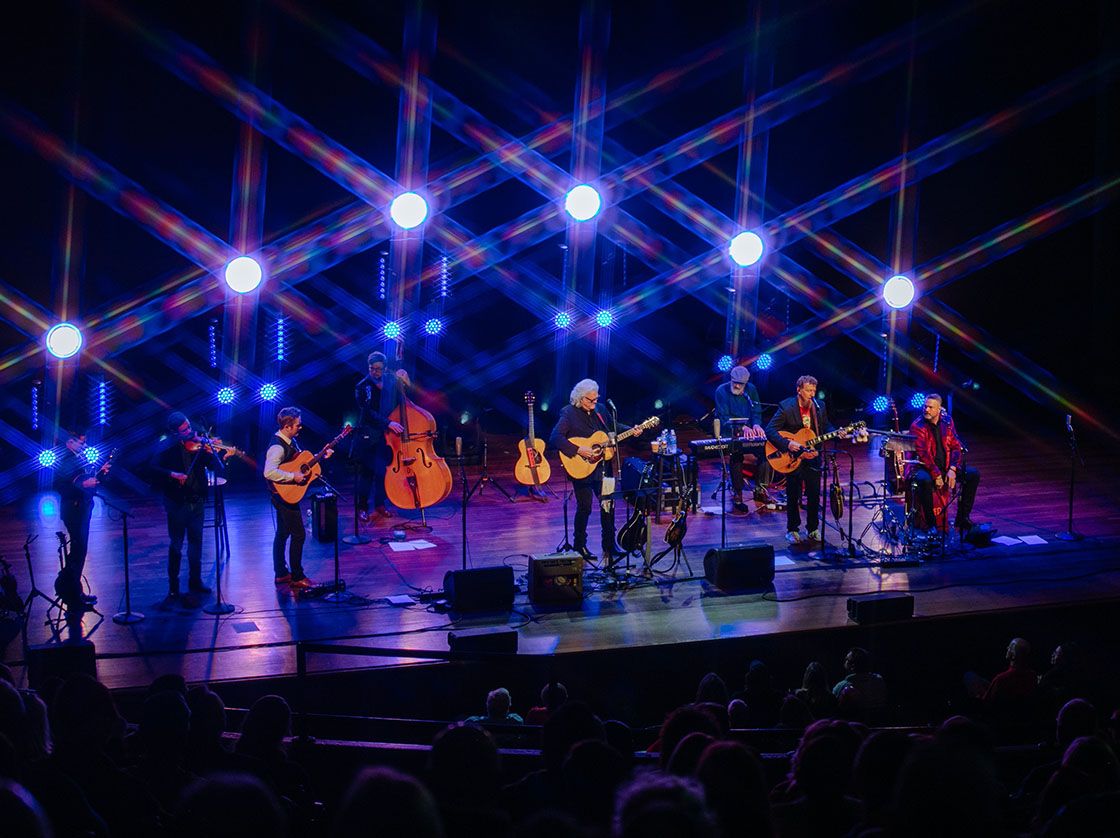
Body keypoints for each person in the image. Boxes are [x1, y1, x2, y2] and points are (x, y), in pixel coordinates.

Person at [548, 378, 642, 563]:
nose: (594, 403)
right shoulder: (568, 413)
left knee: (608, 505)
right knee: (585, 508)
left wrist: (632, 430)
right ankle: (579, 546)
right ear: (580, 398)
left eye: (595, 398)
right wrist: (578, 449)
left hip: (603, 468)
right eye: (590, 400)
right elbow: (555, 438)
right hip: (580, 467)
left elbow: (613, 429)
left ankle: (609, 544)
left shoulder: (600, 410)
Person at [151, 412, 224, 606]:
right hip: (176, 502)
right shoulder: (166, 446)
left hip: (197, 500)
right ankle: (173, 587)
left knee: (196, 543)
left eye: (189, 427)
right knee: (176, 545)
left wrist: (212, 452)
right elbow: (152, 469)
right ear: (175, 432)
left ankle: (195, 581)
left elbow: (218, 467)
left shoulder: (199, 446)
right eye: (185, 430)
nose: (190, 432)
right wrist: (172, 474)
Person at [765, 375, 845, 544]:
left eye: (814, 390)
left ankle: (813, 529)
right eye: (808, 390)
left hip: (813, 456)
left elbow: (825, 427)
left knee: (814, 494)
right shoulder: (787, 407)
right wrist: (788, 444)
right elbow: (770, 430)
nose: (812, 394)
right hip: (793, 457)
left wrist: (836, 432)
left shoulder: (819, 406)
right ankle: (792, 529)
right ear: (798, 390)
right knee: (793, 494)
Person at [263, 407, 328, 590]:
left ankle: (281, 573)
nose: (300, 427)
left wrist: (321, 455)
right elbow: (268, 472)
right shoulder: (277, 447)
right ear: (287, 426)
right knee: (298, 534)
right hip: (283, 496)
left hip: (284, 496)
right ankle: (297, 576)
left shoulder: (290, 441)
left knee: (283, 533)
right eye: (298, 425)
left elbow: (299, 463)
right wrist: (293, 477)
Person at [909, 393, 980, 533]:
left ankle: (963, 518)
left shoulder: (947, 421)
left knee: (973, 475)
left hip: (946, 466)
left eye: (930, 407)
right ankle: (931, 524)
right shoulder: (917, 426)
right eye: (925, 406)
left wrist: (953, 469)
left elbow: (955, 446)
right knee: (924, 480)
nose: (926, 410)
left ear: (939, 409)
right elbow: (923, 455)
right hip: (925, 467)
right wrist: (936, 475)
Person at [353, 352, 409, 521]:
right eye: (372, 368)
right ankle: (362, 507)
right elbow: (368, 413)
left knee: (382, 473)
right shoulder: (362, 386)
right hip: (369, 436)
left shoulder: (390, 381)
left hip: (387, 437)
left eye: (378, 369)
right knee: (367, 473)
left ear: (384, 369)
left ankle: (380, 504)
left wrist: (405, 381)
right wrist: (388, 423)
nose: (375, 372)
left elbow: (403, 398)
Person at [52, 429, 101, 608]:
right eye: (81, 442)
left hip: (82, 508)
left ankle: (74, 590)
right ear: (70, 443)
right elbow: (62, 486)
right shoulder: (66, 460)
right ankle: (70, 590)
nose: (84, 445)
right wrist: (83, 484)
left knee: (80, 550)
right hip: (73, 510)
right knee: (78, 551)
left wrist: (98, 476)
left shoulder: (77, 458)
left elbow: (81, 480)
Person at [713, 365, 771, 511]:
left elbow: (756, 410)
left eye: (741, 384)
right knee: (737, 455)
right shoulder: (721, 391)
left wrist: (757, 425)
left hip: (749, 431)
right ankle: (738, 493)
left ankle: (760, 488)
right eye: (735, 382)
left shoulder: (751, 390)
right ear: (731, 379)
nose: (737, 386)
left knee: (767, 452)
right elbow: (724, 416)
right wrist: (742, 427)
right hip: (730, 432)